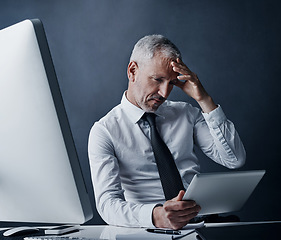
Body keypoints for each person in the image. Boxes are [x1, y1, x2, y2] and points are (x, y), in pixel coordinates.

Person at [88, 34, 246, 230]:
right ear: (132, 71)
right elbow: (107, 204)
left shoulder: (186, 113)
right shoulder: (105, 131)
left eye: (171, 83)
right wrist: (156, 215)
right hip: (148, 229)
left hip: (200, 224)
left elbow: (234, 159)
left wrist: (204, 99)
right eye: (157, 79)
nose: (164, 92)